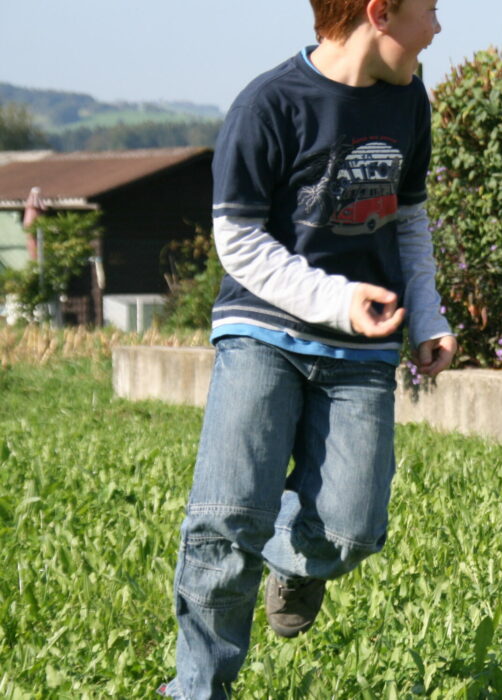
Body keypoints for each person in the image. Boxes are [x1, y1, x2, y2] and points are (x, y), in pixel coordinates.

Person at [159, 1, 456, 697]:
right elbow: (238, 242)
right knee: (227, 521)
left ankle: (293, 562)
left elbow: (408, 220)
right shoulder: (269, 104)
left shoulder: (408, 99)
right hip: (264, 332)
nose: (438, 29)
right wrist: (336, 299)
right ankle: (198, 688)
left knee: (353, 529)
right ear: (380, 14)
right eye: (431, 10)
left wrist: (428, 316)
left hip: (364, 355)